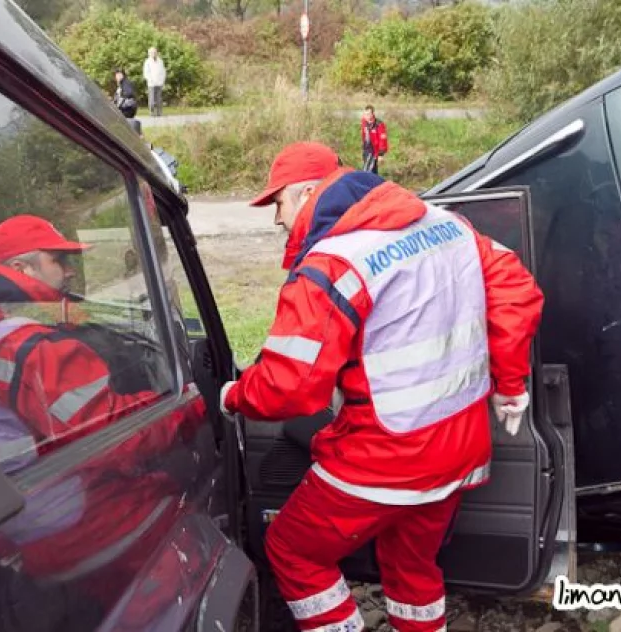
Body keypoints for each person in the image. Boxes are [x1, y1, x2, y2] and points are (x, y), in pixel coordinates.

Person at [218, 142, 544, 632]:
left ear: (307, 192)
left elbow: (290, 387)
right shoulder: (446, 224)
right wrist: (510, 384)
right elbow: (516, 289)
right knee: (412, 565)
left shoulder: (333, 263)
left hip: (383, 458)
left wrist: (233, 396)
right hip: (459, 451)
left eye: (278, 202)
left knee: (292, 549)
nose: (277, 219)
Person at [0, 214, 163, 452]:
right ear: (21, 269)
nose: (70, 271)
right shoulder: (34, 346)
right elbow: (114, 438)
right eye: (59, 260)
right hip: (55, 475)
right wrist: (182, 401)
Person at [361, 105, 388, 174]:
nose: (366, 116)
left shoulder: (378, 124)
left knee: (366, 171)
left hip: (373, 150)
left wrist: (381, 154)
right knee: (373, 171)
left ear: (372, 114)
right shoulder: (364, 122)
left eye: (368, 114)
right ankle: (375, 180)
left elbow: (383, 140)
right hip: (366, 150)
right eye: (365, 114)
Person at [143, 47, 166, 117]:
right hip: (151, 84)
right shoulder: (147, 62)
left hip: (159, 83)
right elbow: (146, 73)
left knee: (159, 99)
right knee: (152, 99)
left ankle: (159, 112)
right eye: (152, 52)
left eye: (155, 52)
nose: (154, 54)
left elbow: (163, 71)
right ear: (149, 54)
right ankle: (152, 112)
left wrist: (162, 80)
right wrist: (150, 80)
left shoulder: (160, 61)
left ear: (157, 53)